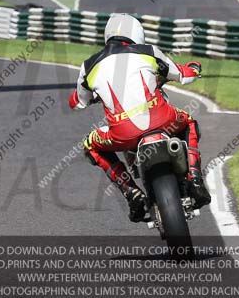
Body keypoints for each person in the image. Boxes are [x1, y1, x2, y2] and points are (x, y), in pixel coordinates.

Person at [70, 14, 211, 222]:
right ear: (138, 34)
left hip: (122, 134)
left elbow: (78, 102)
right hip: (163, 120)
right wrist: (194, 68)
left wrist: (79, 99)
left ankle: (131, 192)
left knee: (90, 145)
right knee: (188, 121)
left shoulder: (89, 66)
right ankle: (195, 178)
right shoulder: (150, 52)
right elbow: (182, 75)